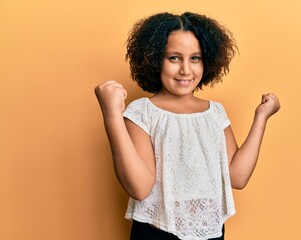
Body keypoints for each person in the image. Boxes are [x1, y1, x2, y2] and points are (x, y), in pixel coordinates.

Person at [95, 12, 280, 240]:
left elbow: (238, 177)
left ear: (208, 60)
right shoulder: (143, 112)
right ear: (153, 58)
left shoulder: (215, 113)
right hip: (156, 233)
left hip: (209, 232)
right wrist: (112, 115)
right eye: (174, 58)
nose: (185, 70)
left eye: (195, 58)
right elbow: (140, 188)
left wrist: (261, 116)